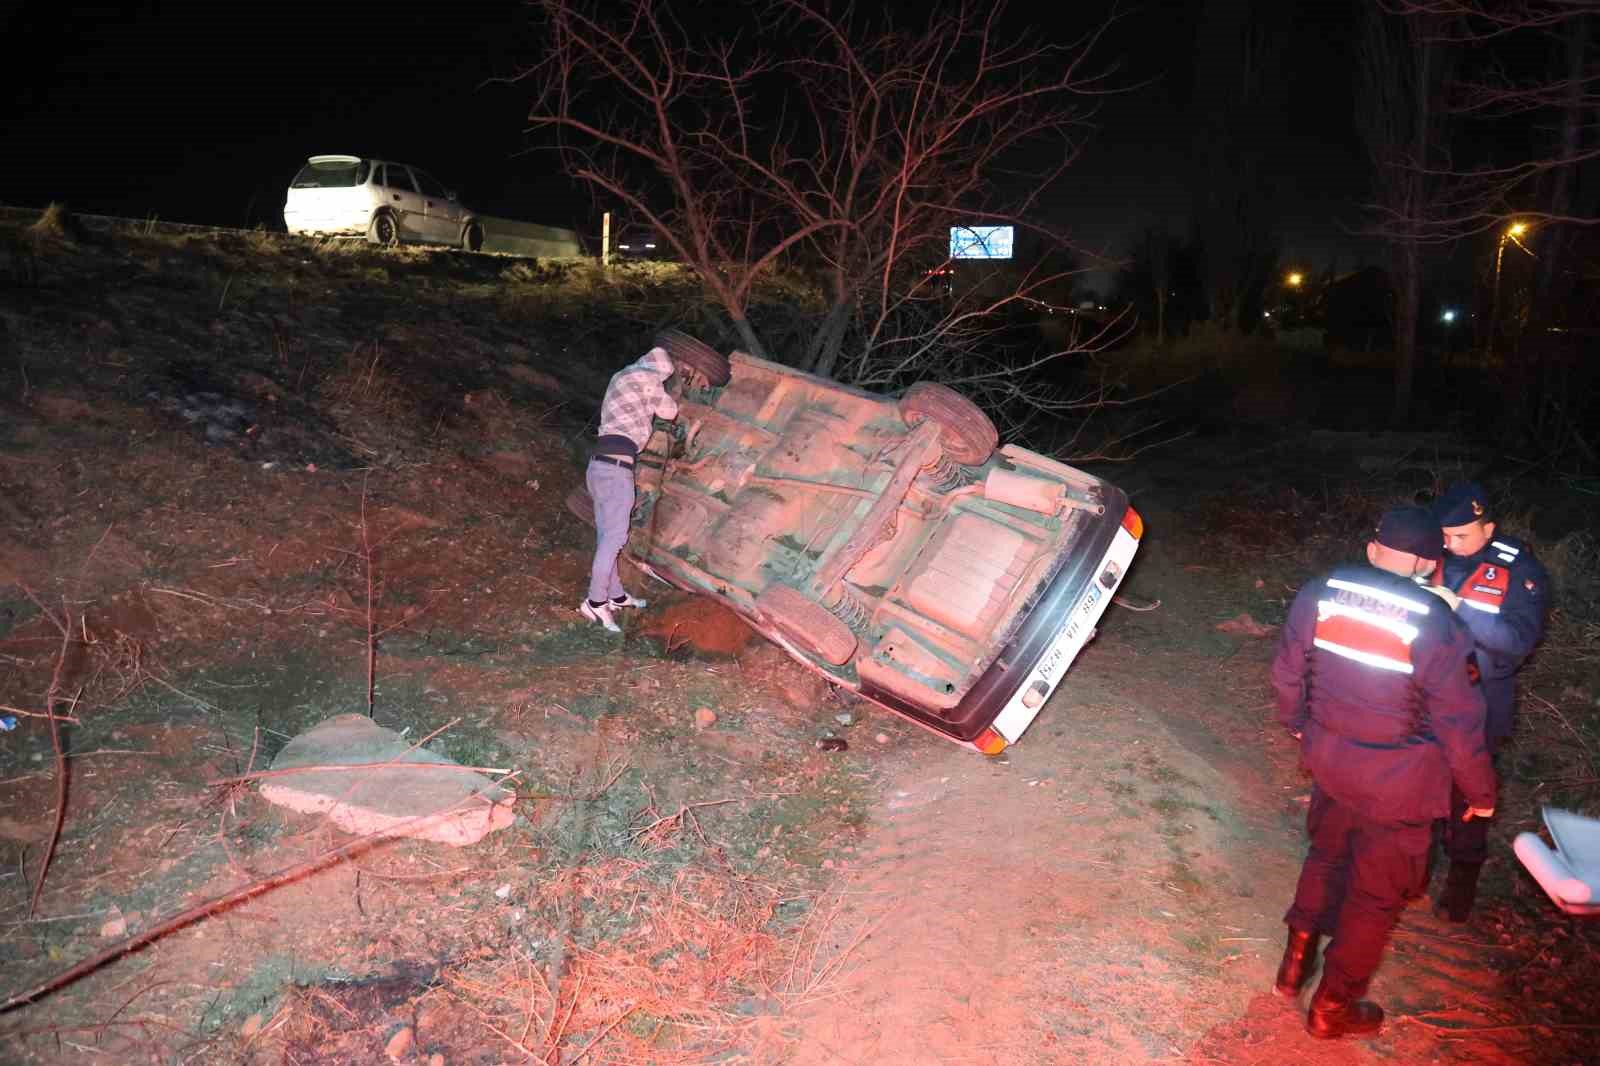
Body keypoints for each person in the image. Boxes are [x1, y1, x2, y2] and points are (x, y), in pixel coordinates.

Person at [1270, 506, 1496, 1039]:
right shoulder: (1437, 622)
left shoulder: (1320, 591)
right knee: (1375, 897)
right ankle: (1332, 1007)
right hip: (1400, 788)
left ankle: (1292, 968)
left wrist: (1301, 727)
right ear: (1427, 564)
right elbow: (1461, 724)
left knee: (1325, 855)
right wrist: (1480, 793)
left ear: (1374, 550)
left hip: (1332, 764)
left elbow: (1286, 673)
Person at [1427, 481, 1550, 922]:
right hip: (1426, 693)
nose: (1450, 545)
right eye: (1444, 535)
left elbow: (1518, 641)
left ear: (1489, 528)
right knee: (1420, 780)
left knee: (1470, 792)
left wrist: (1459, 610)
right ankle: (1413, 872)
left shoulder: (1520, 572)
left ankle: (1461, 881)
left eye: (1462, 535)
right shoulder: (1430, 556)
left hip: (1483, 698)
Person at [579, 340, 680, 633]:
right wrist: (666, 390)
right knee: (615, 538)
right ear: (661, 372)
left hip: (598, 466)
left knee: (606, 536)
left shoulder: (622, 375)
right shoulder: (649, 380)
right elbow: (670, 412)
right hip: (617, 470)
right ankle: (595, 602)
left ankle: (617, 595)